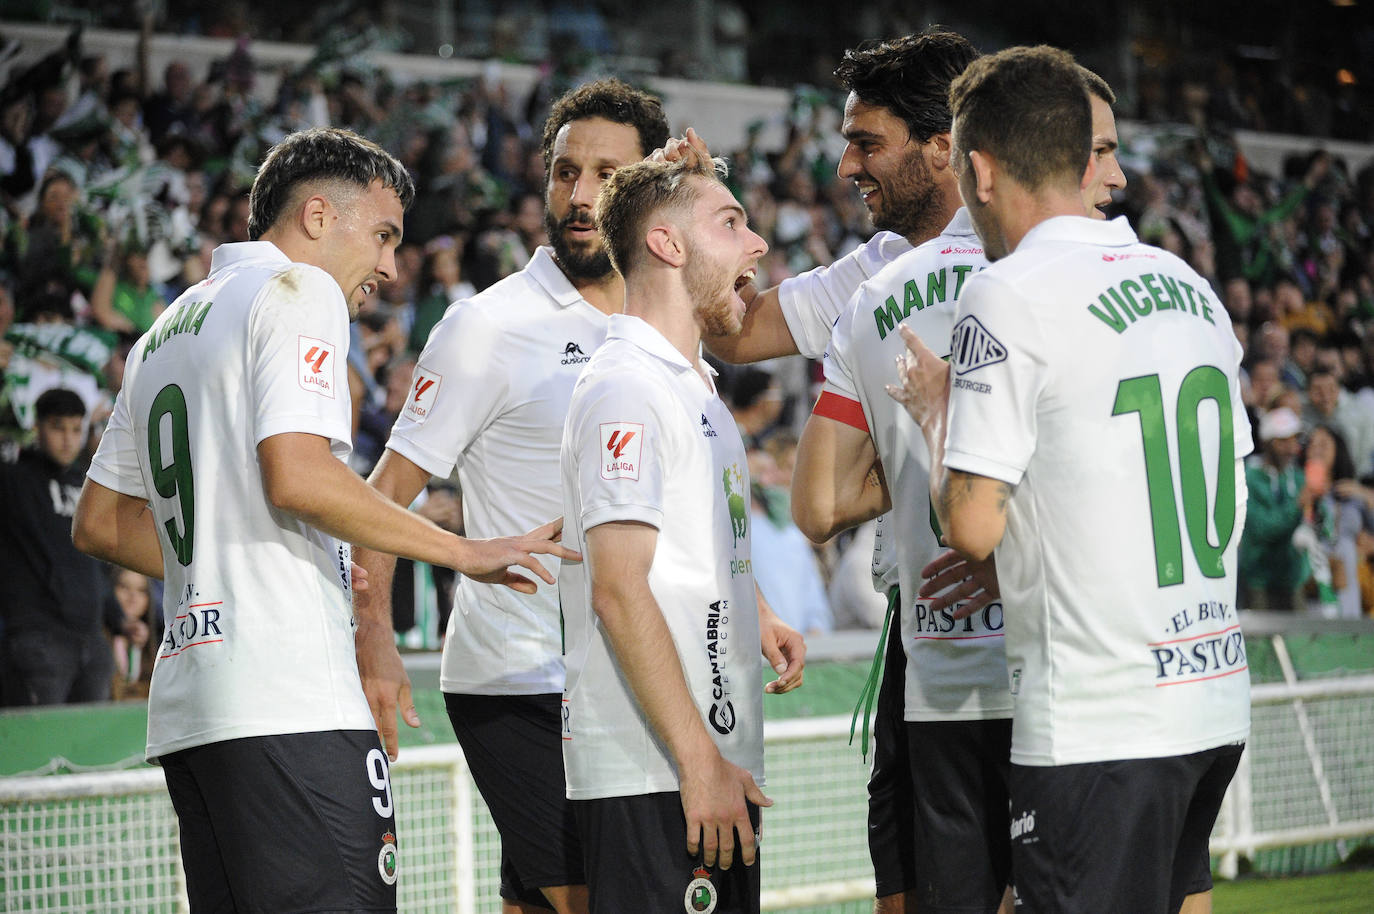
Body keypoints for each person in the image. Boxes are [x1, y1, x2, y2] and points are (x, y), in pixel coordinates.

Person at [72, 126, 575, 913]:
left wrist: (221, 564)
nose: (387, 266)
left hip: (194, 709)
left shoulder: (162, 333)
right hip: (290, 698)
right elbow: (299, 474)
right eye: (380, 236)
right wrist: (461, 550)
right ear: (315, 217)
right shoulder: (296, 292)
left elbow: (100, 523)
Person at [353, 80, 805, 914]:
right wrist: (373, 639)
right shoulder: (488, 327)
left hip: (626, 679)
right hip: (519, 681)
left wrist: (756, 606)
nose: (580, 195)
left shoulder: (670, 333)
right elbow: (381, 499)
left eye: (606, 173)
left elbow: (677, 505)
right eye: (565, 172)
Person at [889, 46, 1251, 914]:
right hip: (1210, 702)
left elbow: (972, 527)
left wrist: (941, 416)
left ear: (978, 167)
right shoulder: (1190, 285)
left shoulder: (1007, 292)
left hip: (1097, 721)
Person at [560, 153, 771, 913]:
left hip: (702, 762)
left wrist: (761, 610)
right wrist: (697, 761)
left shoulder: (695, 383)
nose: (757, 245)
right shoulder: (628, 386)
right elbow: (618, 590)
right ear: (667, 244)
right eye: (731, 222)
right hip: (659, 772)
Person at [0, 387, 112, 706]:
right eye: (57, 427)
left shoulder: (85, 484)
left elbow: (94, 564)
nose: (68, 438)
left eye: (76, 429)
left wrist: (118, 619)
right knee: (38, 751)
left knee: (91, 753)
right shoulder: (12, 481)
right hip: (37, 639)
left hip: (92, 640)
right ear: (37, 427)